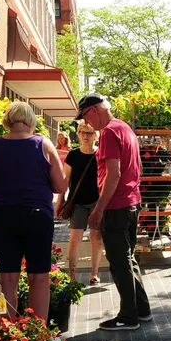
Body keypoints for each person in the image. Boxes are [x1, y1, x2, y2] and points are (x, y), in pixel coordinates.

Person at [0, 101, 67, 322]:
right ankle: (38, 334)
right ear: (31, 121)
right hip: (37, 216)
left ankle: (8, 333)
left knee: (7, 277)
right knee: (38, 276)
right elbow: (61, 187)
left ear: (7, 121)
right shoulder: (43, 145)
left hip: (3, 215)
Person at [77, 93, 152, 331]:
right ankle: (141, 310)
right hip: (131, 202)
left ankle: (128, 317)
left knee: (120, 263)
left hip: (116, 205)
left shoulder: (109, 131)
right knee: (127, 260)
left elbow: (114, 173)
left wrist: (99, 209)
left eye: (86, 116)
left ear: (95, 110)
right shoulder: (125, 128)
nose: (87, 123)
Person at [60, 121, 103, 285]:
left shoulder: (100, 154)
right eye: (82, 132)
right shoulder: (73, 155)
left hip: (96, 202)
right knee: (74, 239)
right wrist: (60, 202)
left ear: (95, 136)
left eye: (90, 133)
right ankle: (71, 276)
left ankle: (94, 273)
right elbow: (65, 180)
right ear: (77, 134)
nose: (86, 136)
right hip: (77, 203)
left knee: (96, 237)